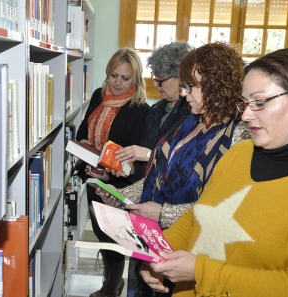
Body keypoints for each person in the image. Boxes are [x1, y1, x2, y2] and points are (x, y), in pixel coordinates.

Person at [139, 47, 288, 296]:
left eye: (259, 102)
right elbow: (198, 216)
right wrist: (157, 255)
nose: (245, 115)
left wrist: (201, 271)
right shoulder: (239, 154)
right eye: (245, 103)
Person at [96, 42, 252, 297]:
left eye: (190, 86)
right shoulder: (190, 119)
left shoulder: (238, 135)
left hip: (189, 254)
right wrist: (125, 195)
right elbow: (159, 174)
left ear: (215, 85)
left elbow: (226, 206)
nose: (183, 93)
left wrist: (164, 213)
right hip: (149, 238)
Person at [76, 47, 150, 297]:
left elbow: (135, 161)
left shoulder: (141, 109)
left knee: (114, 239)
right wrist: (86, 147)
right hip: (92, 178)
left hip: (117, 186)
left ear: (136, 79)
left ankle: (110, 289)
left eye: (125, 78)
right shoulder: (99, 95)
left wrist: (108, 174)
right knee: (99, 232)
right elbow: (81, 133)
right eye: (113, 75)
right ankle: (112, 284)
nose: (118, 83)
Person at [114, 41, 193, 182]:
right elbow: (142, 168)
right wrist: (123, 170)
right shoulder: (156, 110)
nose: (155, 84)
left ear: (181, 77)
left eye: (160, 80)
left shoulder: (191, 114)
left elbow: (184, 165)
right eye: (155, 78)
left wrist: (149, 155)